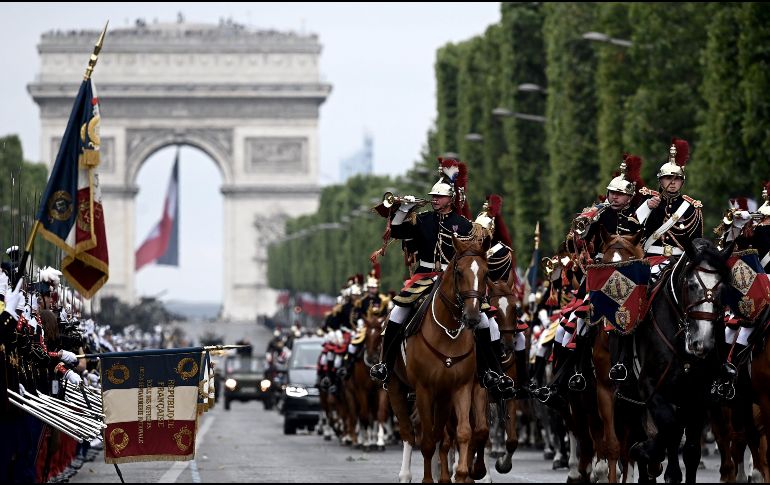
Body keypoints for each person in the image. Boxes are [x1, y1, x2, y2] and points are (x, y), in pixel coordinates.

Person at [369, 157, 513, 397]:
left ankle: (492, 371)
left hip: (455, 280)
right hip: (424, 277)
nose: (434, 200)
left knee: (490, 323)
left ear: (450, 200)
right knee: (396, 314)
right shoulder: (421, 219)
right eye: (433, 197)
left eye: (439, 197)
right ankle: (386, 365)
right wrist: (402, 210)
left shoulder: (466, 226)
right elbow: (396, 231)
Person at [712, 184, 770, 398]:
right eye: (762, 220)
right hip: (759, 292)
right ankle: (727, 378)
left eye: (766, 221)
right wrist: (738, 222)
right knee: (735, 331)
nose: (764, 224)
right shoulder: (750, 234)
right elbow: (725, 246)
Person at [474, 194, 526, 399]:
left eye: (483, 231)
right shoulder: (470, 252)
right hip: (474, 302)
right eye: (477, 231)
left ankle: (523, 383)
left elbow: (505, 282)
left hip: (497, 301)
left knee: (520, 337)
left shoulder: (502, 252)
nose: (480, 235)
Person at [635, 138, 703, 278]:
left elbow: (696, 242)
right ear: (660, 181)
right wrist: (647, 207)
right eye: (668, 178)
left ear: (682, 182)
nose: (672, 183)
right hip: (652, 259)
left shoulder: (691, 208)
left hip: (680, 262)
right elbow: (632, 226)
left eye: (676, 179)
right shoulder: (648, 200)